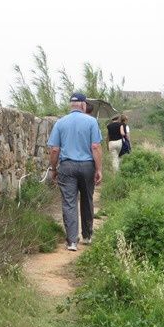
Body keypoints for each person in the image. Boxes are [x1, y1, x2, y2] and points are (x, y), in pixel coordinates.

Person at [47, 92, 104, 251]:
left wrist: (53, 169)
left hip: (67, 167)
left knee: (69, 202)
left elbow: (54, 150)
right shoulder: (92, 122)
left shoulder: (60, 123)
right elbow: (95, 147)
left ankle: (72, 241)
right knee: (87, 199)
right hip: (87, 166)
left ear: (71, 105)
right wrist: (98, 169)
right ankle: (87, 236)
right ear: (84, 105)